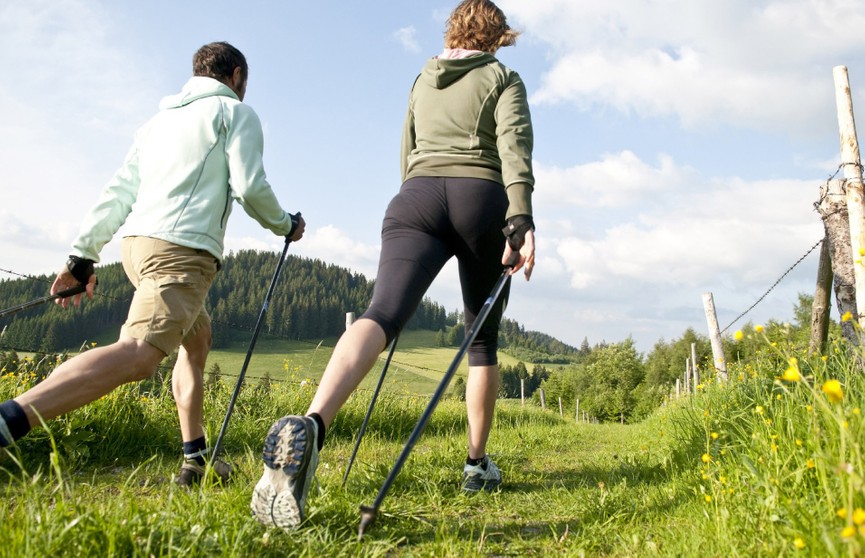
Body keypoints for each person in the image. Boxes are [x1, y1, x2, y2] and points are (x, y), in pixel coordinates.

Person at [250, 0, 535, 531]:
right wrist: (520, 217)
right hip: (481, 196)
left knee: (380, 314)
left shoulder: (422, 78)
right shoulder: (502, 76)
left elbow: (406, 149)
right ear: (497, 36)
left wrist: (417, 195)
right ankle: (476, 465)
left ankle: (313, 422)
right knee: (481, 340)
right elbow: (515, 145)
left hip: (416, 195)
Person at [0, 41, 305, 486]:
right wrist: (285, 224)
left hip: (138, 247)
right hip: (182, 252)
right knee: (141, 355)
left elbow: (118, 192)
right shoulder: (235, 113)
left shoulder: (157, 123)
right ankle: (12, 417)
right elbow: (250, 185)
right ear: (237, 75)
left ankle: (195, 460)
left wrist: (81, 256)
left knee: (196, 341)